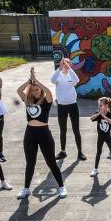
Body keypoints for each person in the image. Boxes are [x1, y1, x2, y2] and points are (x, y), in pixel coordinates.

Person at [16, 67, 68, 200]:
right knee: (30, 163)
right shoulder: (28, 101)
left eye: (37, 89)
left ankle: (61, 187)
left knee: (51, 162)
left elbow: (49, 92)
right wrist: (29, 81)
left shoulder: (47, 101)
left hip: (44, 133)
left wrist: (37, 81)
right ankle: (26, 189)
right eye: (32, 90)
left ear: (40, 89)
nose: (35, 91)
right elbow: (19, 91)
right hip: (30, 133)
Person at [50, 58, 85, 162]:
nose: (65, 65)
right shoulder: (58, 75)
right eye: (63, 63)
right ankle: (63, 151)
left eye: (67, 64)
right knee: (63, 130)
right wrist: (60, 68)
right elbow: (52, 80)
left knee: (76, 130)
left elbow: (76, 81)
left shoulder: (71, 74)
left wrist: (69, 68)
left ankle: (80, 152)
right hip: (61, 106)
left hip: (73, 105)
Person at [90, 97, 111, 177]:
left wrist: (104, 116)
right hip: (100, 137)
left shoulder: (110, 114)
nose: (99, 107)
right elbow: (91, 118)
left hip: (107, 136)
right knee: (98, 152)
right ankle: (95, 169)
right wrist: (99, 113)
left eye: (101, 105)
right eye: (98, 105)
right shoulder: (97, 113)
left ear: (106, 105)